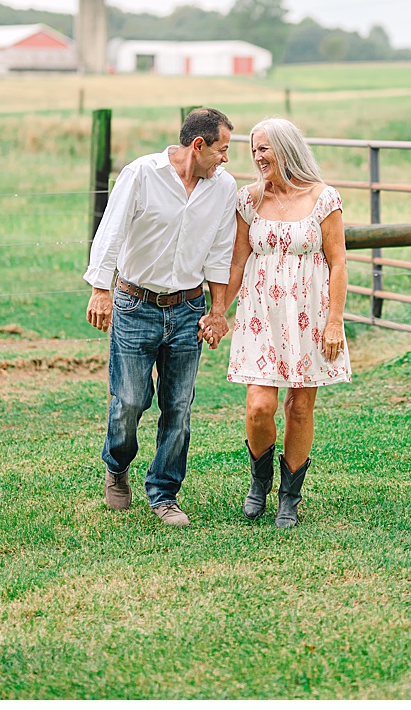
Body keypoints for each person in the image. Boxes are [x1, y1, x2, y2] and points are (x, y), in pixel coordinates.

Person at [84, 107, 238, 527]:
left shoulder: (223, 188)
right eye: (222, 150)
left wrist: (219, 310)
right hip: (135, 305)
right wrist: (101, 288)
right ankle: (117, 467)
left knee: (179, 407)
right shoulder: (142, 174)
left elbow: (221, 251)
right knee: (130, 400)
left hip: (188, 309)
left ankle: (164, 493)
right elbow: (111, 230)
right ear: (198, 146)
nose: (227, 159)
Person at [224, 117, 349, 529]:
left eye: (265, 148)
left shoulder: (324, 198)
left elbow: (338, 262)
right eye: (254, 149)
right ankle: (259, 483)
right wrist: (218, 311)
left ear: (287, 148)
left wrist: (334, 321)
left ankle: (289, 497)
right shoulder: (248, 200)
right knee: (260, 406)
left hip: (309, 316)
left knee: (299, 408)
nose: (258, 157)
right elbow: (239, 260)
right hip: (260, 315)